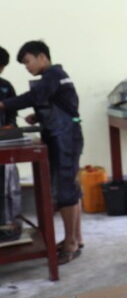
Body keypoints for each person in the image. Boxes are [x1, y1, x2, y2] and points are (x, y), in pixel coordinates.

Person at [0, 41, 85, 264]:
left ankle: (70, 244)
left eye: (28, 61)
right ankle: (76, 238)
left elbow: (33, 97)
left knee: (66, 192)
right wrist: (38, 116)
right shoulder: (56, 76)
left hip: (64, 138)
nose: (27, 67)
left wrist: (3, 105)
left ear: (42, 57)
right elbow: (62, 103)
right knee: (71, 189)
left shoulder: (53, 75)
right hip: (64, 135)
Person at [0, 46, 21, 242]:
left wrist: (10, 125)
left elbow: (13, 112)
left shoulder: (5, 87)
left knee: (8, 184)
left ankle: (9, 223)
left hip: (4, 144)